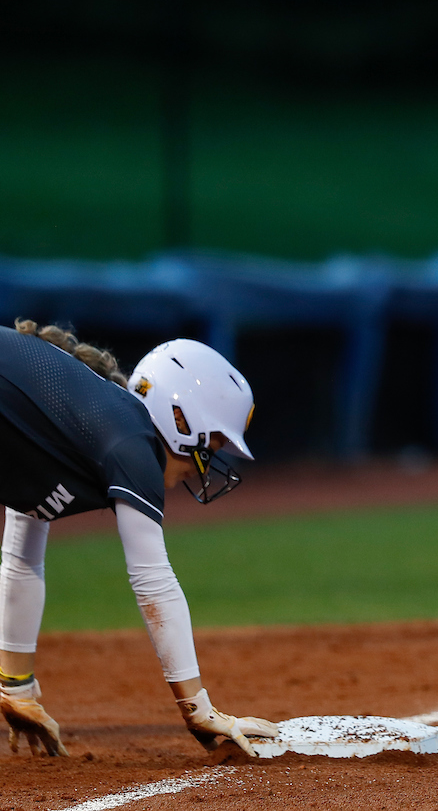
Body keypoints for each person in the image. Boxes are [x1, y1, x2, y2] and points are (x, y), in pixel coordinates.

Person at [0, 320, 278, 757]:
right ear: (182, 418)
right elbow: (152, 578)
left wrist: (16, 688)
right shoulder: (130, 441)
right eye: (216, 444)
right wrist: (198, 708)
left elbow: (21, 556)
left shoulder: (78, 428)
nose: (207, 464)